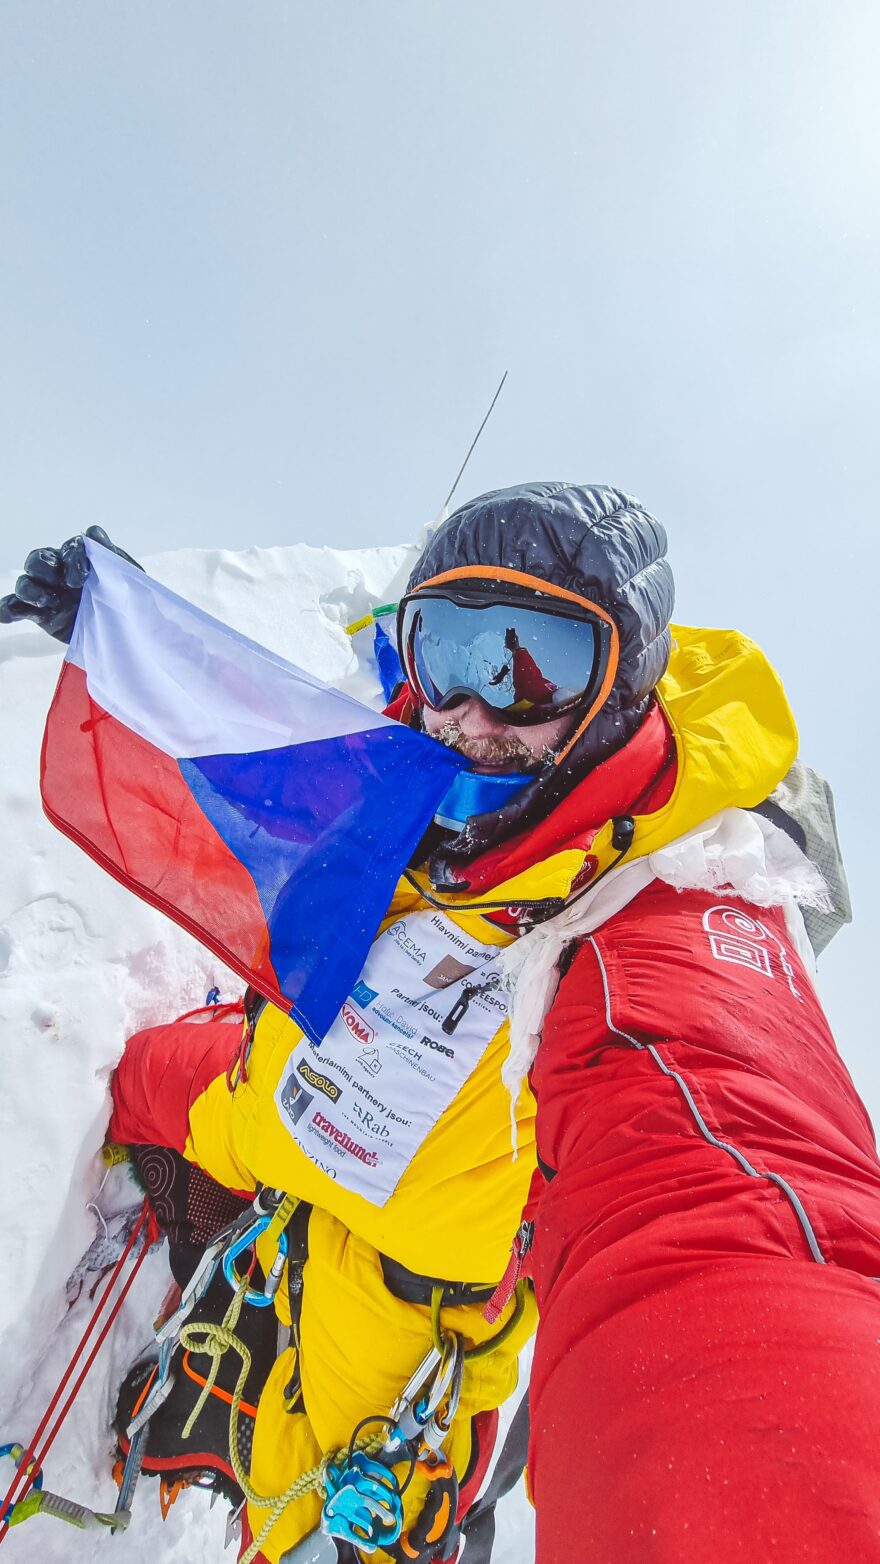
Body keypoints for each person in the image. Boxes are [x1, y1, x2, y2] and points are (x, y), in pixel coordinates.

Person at [2, 481, 877, 1564]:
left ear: (622, 685)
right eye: (447, 647)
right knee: (130, 1079)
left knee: (294, 1506)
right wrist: (122, 621)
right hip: (278, 1101)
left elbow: (731, 1198)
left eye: (531, 663)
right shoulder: (428, 752)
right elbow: (327, 657)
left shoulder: (661, 911)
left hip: (403, 1279)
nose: (470, 709)